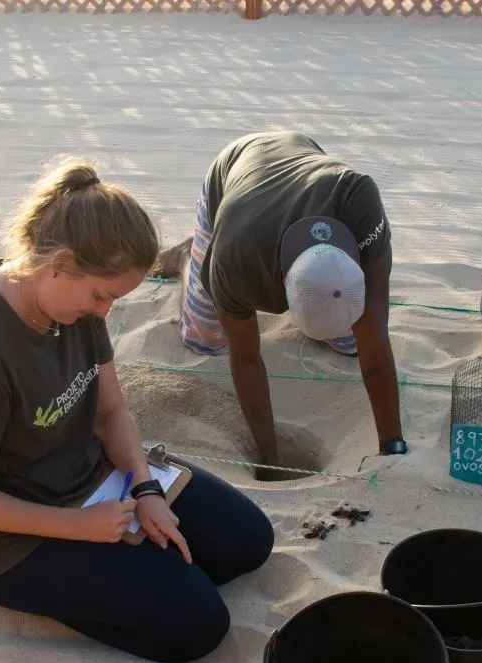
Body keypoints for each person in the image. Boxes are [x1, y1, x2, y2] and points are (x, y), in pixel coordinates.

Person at [0, 157, 274, 663]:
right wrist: (79, 527)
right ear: (58, 262)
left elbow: (109, 413)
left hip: (94, 479)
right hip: (4, 541)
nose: (104, 312)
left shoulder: (70, 304)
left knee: (247, 542)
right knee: (199, 625)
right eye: (102, 296)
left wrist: (145, 488)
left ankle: (132, 568)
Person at [157, 131, 409, 470]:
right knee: (204, 339)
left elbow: (375, 335)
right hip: (234, 175)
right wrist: (269, 460)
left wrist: (392, 444)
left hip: (298, 156)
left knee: (353, 344)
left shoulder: (358, 198)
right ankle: (190, 256)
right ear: (279, 286)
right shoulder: (235, 261)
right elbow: (246, 360)